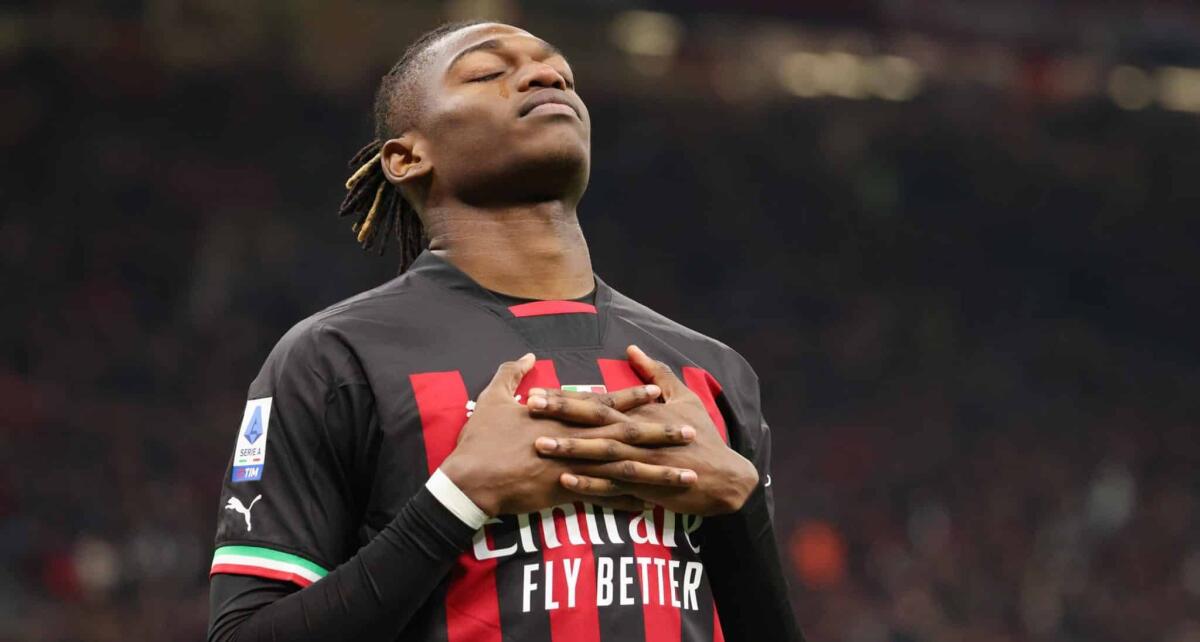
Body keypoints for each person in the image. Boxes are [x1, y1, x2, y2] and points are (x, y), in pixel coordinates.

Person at [207, 20, 801, 642]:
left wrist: (739, 503)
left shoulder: (711, 371)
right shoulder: (336, 360)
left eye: (560, 73)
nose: (547, 75)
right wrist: (459, 497)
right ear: (407, 157)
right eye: (488, 72)